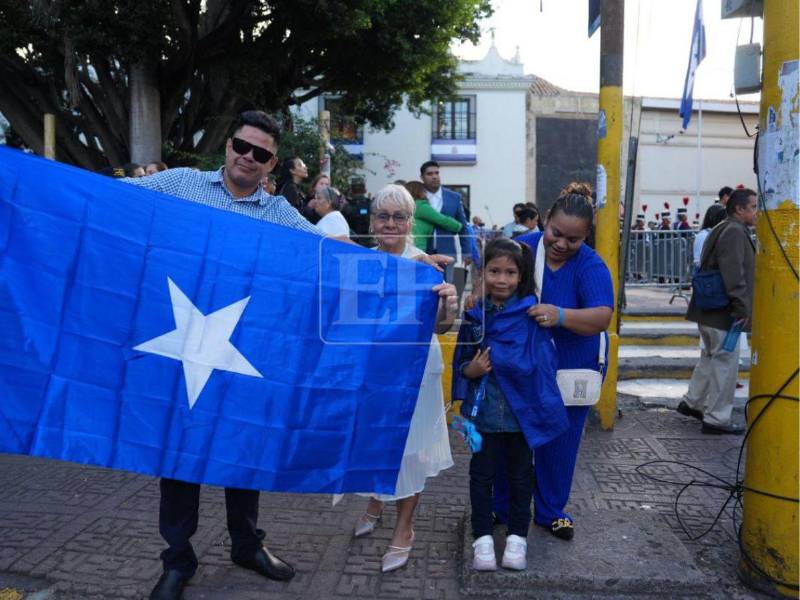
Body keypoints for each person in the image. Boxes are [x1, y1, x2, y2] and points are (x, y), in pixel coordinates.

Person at [123, 110, 322, 600]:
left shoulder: (279, 214)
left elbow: (331, 256)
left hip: (243, 349)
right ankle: (177, 558)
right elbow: (114, 203)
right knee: (180, 453)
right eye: (242, 146)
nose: (247, 158)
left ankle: (246, 544)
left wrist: (409, 264)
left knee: (242, 447)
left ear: (273, 163)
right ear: (228, 145)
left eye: (261, 153)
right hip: (181, 342)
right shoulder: (181, 184)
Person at [490, 185, 614, 542]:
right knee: (509, 437)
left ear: (585, 236)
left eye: (573, 239)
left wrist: (559, 315)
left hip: (570, 367)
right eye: (556, 233)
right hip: (519, 366)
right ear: (545, 220)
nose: (561, 244)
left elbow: (602, 316)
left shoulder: (590, 265)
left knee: (560, 442)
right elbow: (491, 280)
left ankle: (551, 511)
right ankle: (504, 506)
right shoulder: (522, 248)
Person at [352, 184, 456, 573]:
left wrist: (447, 303)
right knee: (377, 442)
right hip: (374, 375)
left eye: (399, 217)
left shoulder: (425, 267)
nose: (390, 223)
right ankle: (376, 502)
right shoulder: (361, 263)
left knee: (410, 448)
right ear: (372, 221)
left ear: (411, 223)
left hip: (415, 374)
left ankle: (404, 529)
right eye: (383, 215)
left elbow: (442, 328)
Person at [453, 238, 566, 572]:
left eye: (510, 272)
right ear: (483, 272)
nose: (501, 279)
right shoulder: (475, 317)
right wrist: (471, 370)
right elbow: (462, 361)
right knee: (480, 476)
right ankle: (482, 538)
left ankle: (518, 538)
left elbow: (543, 366)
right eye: (494, 271)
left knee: (520, 477)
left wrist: (508, 362)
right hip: (484, 414)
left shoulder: (532, 316)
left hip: (521, 416)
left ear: (522, 276)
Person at [678, 188, 758, 435]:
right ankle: (716, 418)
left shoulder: (722, 228)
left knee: (710, 357)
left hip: (709, 310)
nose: (756, 212)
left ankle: (692, 402)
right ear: (739, 209)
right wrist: (741, 306)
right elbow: (733, 273)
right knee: (725, 362)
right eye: (753, 207)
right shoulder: (734, 231)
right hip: (723, 311)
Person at [419, 161, 469, 264]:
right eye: (430, 174)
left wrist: (467, 252)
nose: (434, 177)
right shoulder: (416, 197)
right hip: (422, 252)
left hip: (447, 252)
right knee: (424, 280)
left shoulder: (454, 197)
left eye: (437, 173)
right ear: (422, 177)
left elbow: (463, 227)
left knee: (448, 280)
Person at [404, 180, 462, 251]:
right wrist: (458, 226)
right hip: (417, 246)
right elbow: (441, 220)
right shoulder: (420, 206)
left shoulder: (407, 206)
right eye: (424, 191)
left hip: (408, 244)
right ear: (418, 192)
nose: (426, 193)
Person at [344, 177, 372, 246]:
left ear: (351, 190)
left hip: (354, 243)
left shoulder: (346, 206)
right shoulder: (370, 204)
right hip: (357, 242)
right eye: (356, 188)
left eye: (360, 188)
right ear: (365, 190)